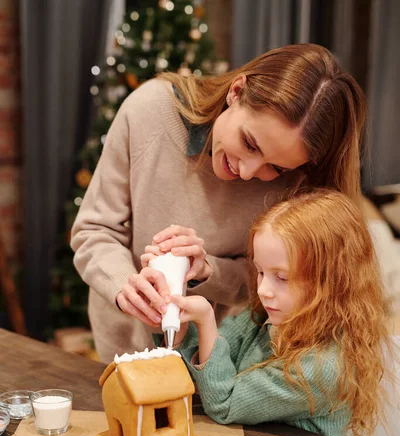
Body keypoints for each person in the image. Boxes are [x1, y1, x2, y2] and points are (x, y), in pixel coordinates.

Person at [71, 43, 366, 363]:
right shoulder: (150, 110)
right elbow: (94, 230)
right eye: (250, 144)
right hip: (127, 355)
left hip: (230, 369)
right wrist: (124, 287)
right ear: (236, 91)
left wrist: (209, 270)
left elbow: (293, 284)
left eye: (275, 168)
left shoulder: (300, 180)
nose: (247, 171)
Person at [161, 190, 389, 436]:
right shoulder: (267, 316)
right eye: (260, 272)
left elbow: (224, 403)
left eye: (281, 277)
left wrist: (204, 319)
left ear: (331, 282)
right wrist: (173, 302)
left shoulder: (324, 368)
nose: (263, 290)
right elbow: (204, 377)